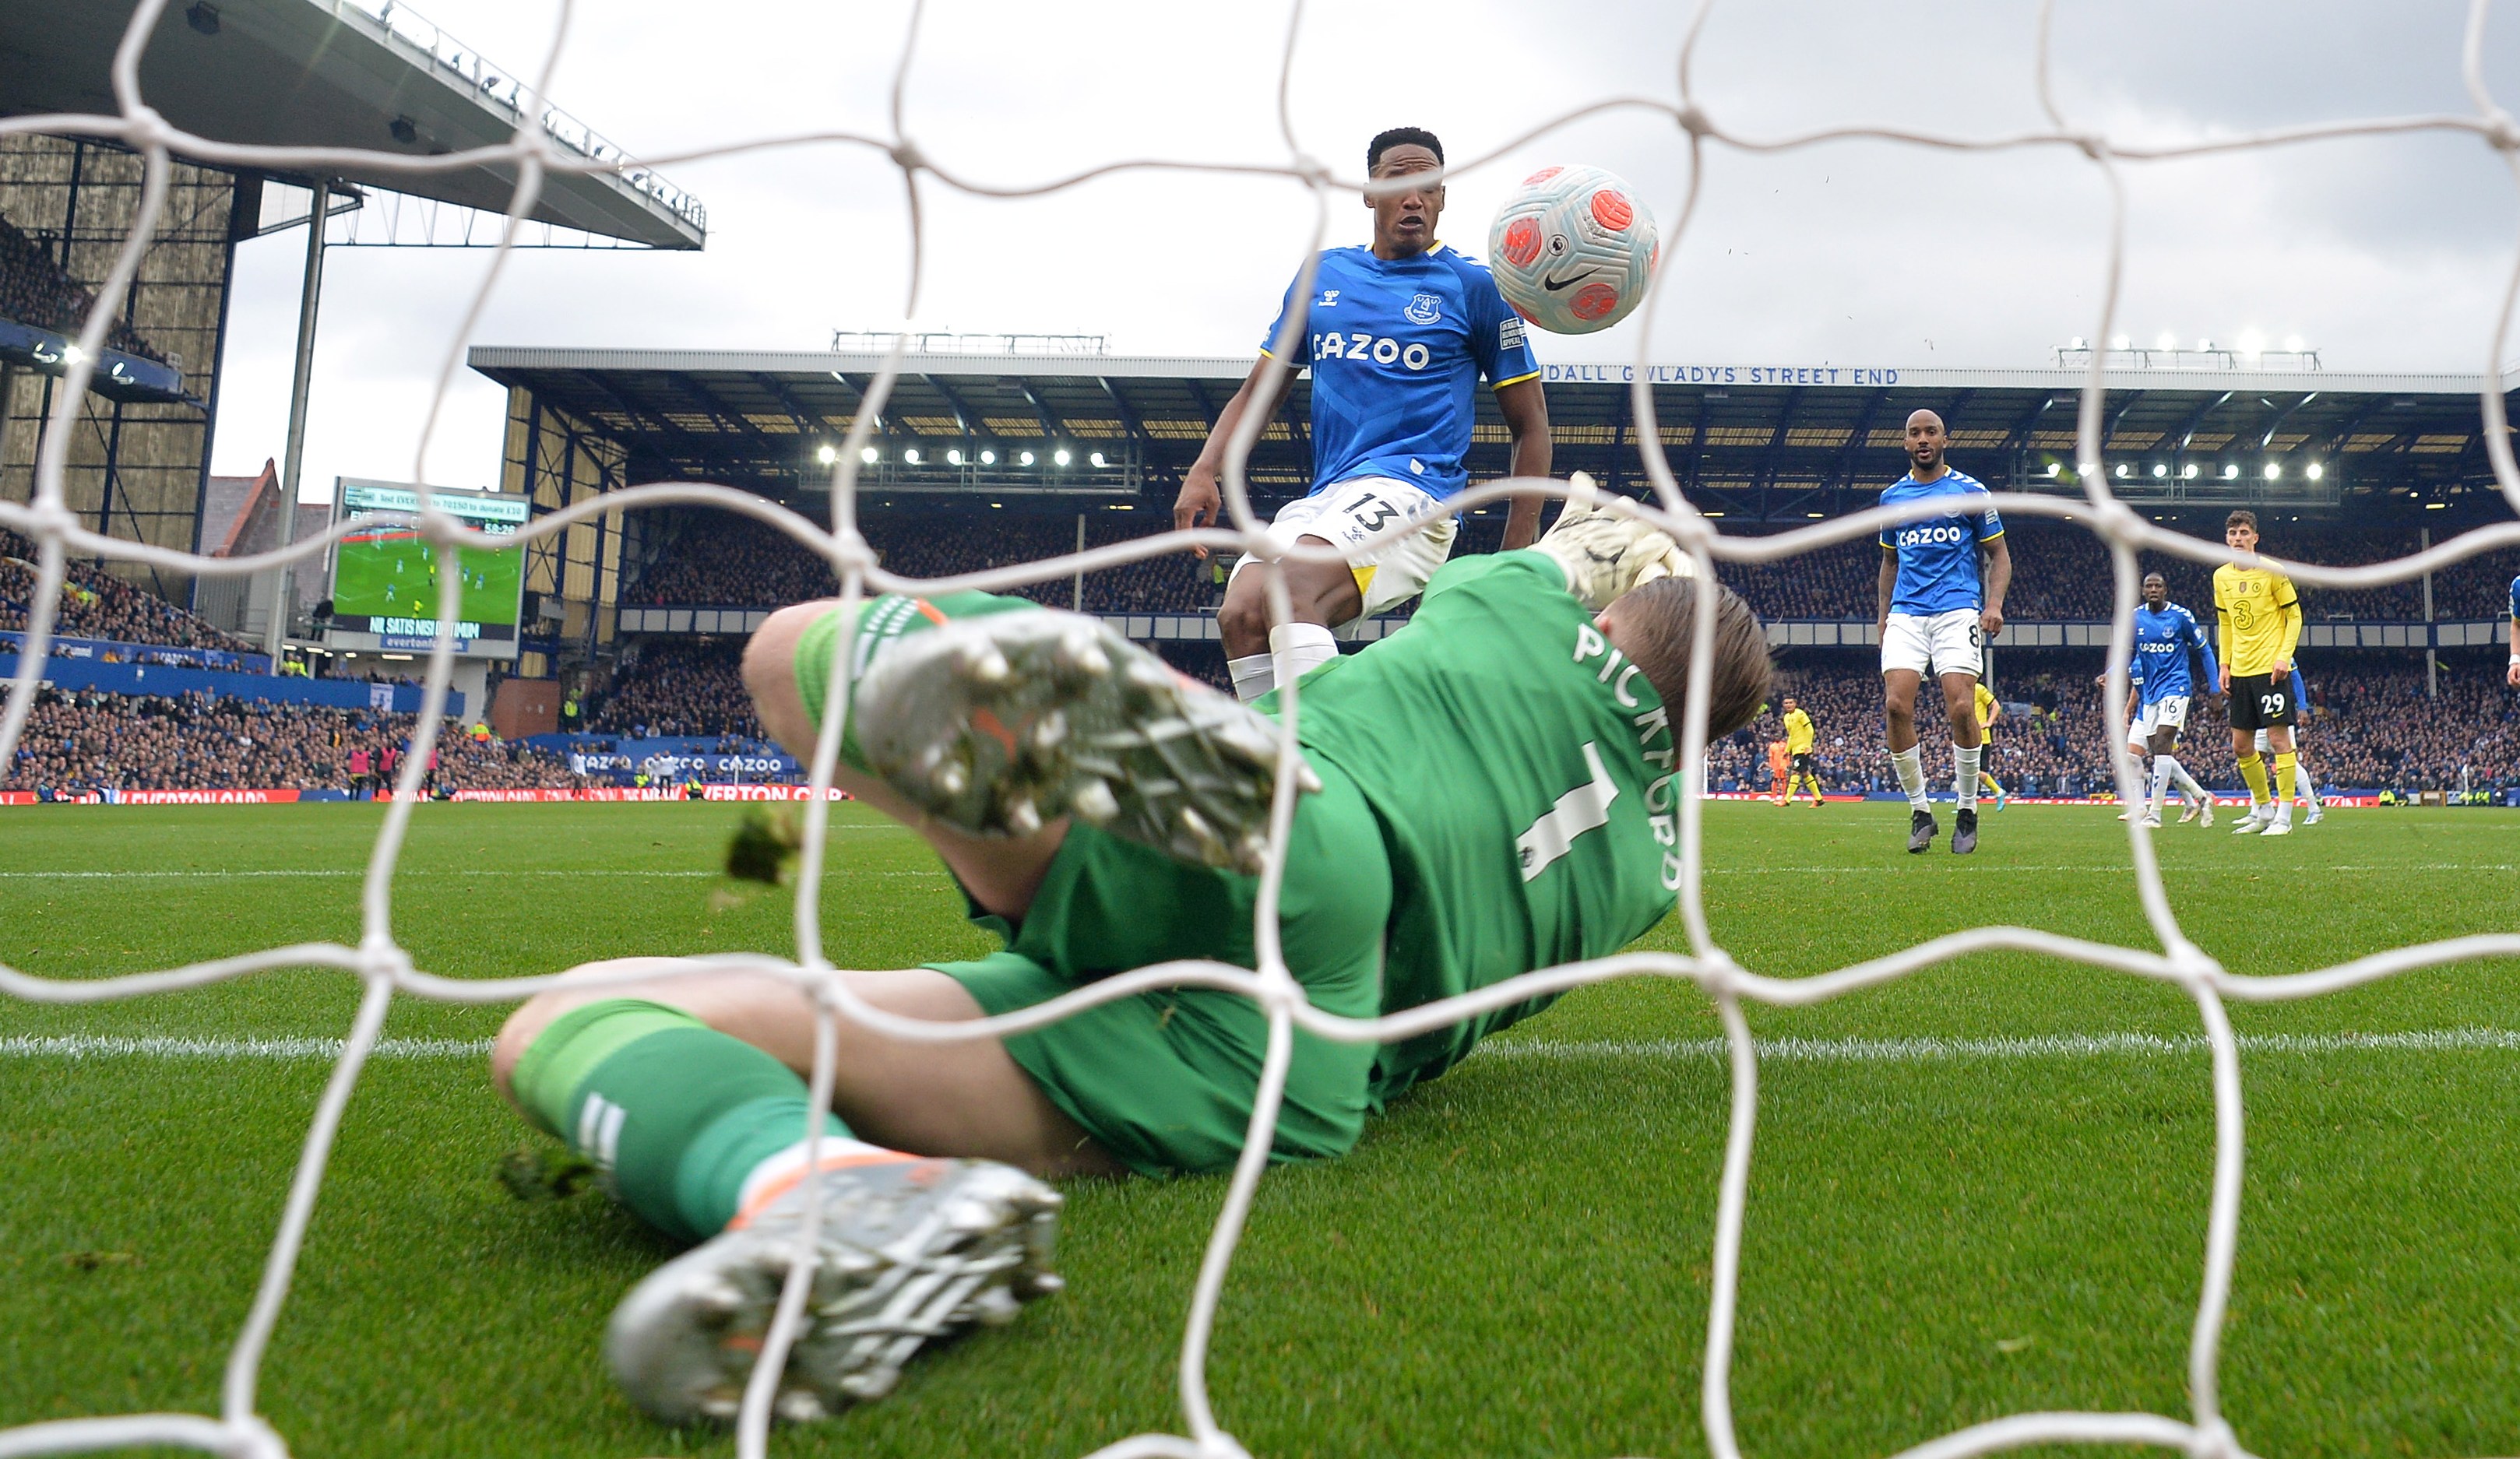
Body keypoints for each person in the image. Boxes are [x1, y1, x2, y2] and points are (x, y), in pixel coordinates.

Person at [486, 496, 1764, 1424]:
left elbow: (1365, 572)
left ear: (1612, 611)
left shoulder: (1518, 601)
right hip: (1293, 1058)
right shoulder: (1651, 875)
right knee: (591, 1014)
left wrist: (1566, 543)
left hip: (1308, 839)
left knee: (787, 655)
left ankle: (1072, 709)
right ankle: (825, 1194)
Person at [1173, 125, 1551, 705]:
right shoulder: (1323, 275)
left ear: (1443, 197)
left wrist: (1514, 557)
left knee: (1296, 588)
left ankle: (1335, 762)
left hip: (1416, 495)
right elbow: (1259, 392)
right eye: (1400, 182)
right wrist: (1205, 468)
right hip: (1329, 495)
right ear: (1369, 192)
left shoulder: (1476, 287)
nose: (1415, 198)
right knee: (1242, 612)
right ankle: (1279, 772)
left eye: (1430, 185)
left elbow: (1531, 426)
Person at [1875, 409, 2011, 855]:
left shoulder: (1971, 492)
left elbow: (2000, 556)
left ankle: (1967, 811)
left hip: (1957, 610)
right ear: (1906, 443)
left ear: (1944, 440)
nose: (1923, 439)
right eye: (1914, 433)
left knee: (1959, 708)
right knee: (1896, 705)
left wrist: (1993, 604)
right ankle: (1920, 811)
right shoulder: (1893, 497)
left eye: (1930, 431)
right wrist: (1883, 619)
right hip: (1906, 614)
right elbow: (1889, 563)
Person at [2102, 571, 2220, 828]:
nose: (2153, 589)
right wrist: (2110, 674)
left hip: (2176, 687)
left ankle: (2154, 813)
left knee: (2163, 745)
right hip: (2151, 695)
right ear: (2143, 591)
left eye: (2158, 586)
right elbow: (2125, 653)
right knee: (2153, 752)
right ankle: (2200, 797)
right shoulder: (2136, 618)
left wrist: (2215, 690)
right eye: (2149, 586)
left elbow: (2205, 650)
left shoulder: (2181, 617)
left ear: (2165, 590)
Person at [2215, 510, 2304, 837]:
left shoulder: (2273, 572)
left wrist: (2284, 657)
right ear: (2226, 539)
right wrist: (2224, 664)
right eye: (2233, 533)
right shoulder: (2221, 576)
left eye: (2243, 533)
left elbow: (2295, 618)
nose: (2238, 538)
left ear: (2255, 538)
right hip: (2240, 671)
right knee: (2241, 746)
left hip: (2270, 671)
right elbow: (2225, 623)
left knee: (2280, 741)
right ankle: (2263, 809)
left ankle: (2284, 816)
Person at [2253, 665, 2321, 825]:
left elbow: (2296, 678)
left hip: (2279, 710)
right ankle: (2256, 812)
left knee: (2289, 761)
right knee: (2256, 760)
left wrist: (2302, 707)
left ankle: (2314, 808)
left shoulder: (2278, 648)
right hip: (2261, 712)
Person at [1969, 681, 2010, 810]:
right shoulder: (1962, 690)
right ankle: (1967, 807)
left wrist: (1989, 723)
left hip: (1981, 738)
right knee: (1967, 772)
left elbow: (1996, 706)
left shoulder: (1979, 689)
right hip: (1967, 737)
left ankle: (1998, 791)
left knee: (1973, 771)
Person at [1780, 695, 1824, 807]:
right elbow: (1791, 735)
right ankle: (1819, 799)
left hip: (1803, 749)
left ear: (1795, 703)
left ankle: (1787, 800)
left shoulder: (1800, 714)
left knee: (1795, 772)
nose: (1788, 705)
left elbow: (1810, 729)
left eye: (1791, 702)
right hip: (1795, 750)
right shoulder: (1786, 718)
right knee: (1805, 773)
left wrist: (1808, 746)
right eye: (1786, 703)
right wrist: (1787, 750)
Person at [1765, 733, 1793, 806]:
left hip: (1783, 765)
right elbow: (1771, 757)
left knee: (1784, 780)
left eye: (1778, 736)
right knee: (1775, 780)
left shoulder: (1784, 745)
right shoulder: (1772, 746)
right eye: (1776, 736)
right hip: (1775, 766)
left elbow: (1787, 755)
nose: (1777, 737)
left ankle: (1784, 796)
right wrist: (1771, 767)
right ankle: (1774, 796)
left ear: (1781, 737)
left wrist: (1788, 764)